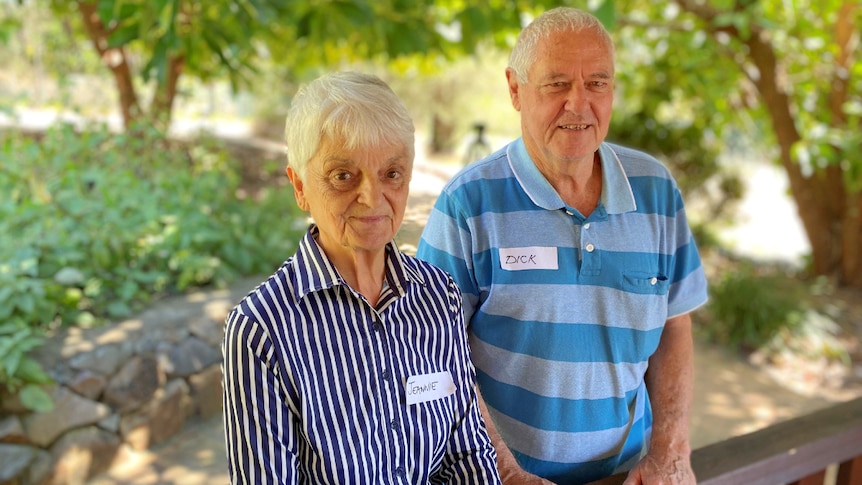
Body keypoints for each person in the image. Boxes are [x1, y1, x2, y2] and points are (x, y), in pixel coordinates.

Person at [416, 7, 708, 485]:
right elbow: (434, 351)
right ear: (515, 89)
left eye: (597, 83)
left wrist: (670, 450)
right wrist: (506, 473)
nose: (579, 104)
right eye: (556, 84)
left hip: (628, 475)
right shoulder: (468, 203)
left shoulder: (656, 191)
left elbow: (675, 325)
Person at [221, 71, 501, 484]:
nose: (372, 197)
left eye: (391, 173)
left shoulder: (439, 297)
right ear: (299, 186)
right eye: (342, 175)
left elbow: (468, 456)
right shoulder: (261, 330)